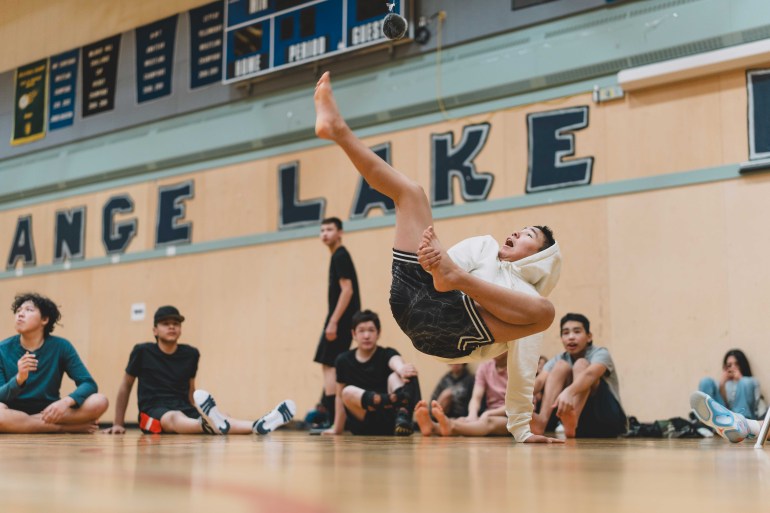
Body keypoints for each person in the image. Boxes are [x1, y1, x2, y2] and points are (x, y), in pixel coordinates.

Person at [314, 71, 562, 443]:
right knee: (411, 193)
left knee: (544, 313)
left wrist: (522, 428)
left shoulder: (528, 298)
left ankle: (456, 279)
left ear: (539, 259)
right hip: (416, 296)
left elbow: (524, 367)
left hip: (451, 336)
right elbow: (440, 270)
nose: (515, 232)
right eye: (519, 228)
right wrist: (437, 263)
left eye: (527, 235)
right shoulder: (483, 245)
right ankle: (338, 130)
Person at [102, 305, 295, 435]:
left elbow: (191, 390)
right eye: (166, 323)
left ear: (180, 329)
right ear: (155, 330)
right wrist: (118, 423)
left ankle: (257, 425)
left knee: (222, 416)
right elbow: (125, 386)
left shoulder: (191, 354)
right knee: (173, 418)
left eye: (176, 323)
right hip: (152, 411)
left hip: (183, 406)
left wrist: (199, 409)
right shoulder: (142, 351)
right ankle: (207, 425)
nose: (171, 326)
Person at [0, 293, 108, 433]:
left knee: (100, 401)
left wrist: (65, 402)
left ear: (44, 319)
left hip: (50, 410)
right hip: (13, 411)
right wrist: (19, 379)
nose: (20, 314)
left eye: (28, 310)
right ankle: (63, 428)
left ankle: (26, 425)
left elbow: (88, 383)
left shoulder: (61, 346)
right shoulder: (2, 349)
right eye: (19, 310)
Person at [323, 309, 420, 436]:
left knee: (399, 374)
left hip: (390, 421)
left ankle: (403, 418)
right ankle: (394, 399)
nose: (366, 335)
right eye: (361, 330)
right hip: (364, 422)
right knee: (347, 392)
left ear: (378, 333)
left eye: (371, 330)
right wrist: (337, 429)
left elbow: (395, 361)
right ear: (353, 334)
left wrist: (402, 369)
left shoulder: (386, 353)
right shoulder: (343, 360)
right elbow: (339, 397)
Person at [530, 313, 626, 438]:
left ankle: (572, 422)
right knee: (560, 366)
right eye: (565, 333)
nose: (571, 337)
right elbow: (540, 381)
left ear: (589, 337)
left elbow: (590, 374)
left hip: (607, 419)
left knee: (581, 364)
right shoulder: (560, 358)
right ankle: (542, 422)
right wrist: (521, 398)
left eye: (577, 331)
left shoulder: (601, 353)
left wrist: (569, 392)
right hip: (581, 425)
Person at [313, 217, 361, 426]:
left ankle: (334, 420)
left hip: (340, 319)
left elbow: (347, 290)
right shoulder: (338, 255)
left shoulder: (340, 255)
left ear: (340, 232)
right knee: (331, 364)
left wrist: (333, 322)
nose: (325, 233)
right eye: (322, 230)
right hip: (342, 319)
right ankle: (334, 417)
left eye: (330, 229)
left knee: (329, 365)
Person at [416, 352, 509, 437]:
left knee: (488, 422)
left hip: (511, 416)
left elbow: (516, 404)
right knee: (463, 420)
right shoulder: (484, 367)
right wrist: (472, 415)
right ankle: (433, 426)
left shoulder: (517, 368)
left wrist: (489, 413)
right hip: (489, 414)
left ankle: (441, 427)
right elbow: (476, 398)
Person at [697, 349, 764, 420]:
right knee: (706, 381)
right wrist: (722, 385)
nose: (733, 367)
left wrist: (740, 378)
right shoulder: (725, 384)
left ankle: (740, 423)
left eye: (737, 364)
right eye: (729, 365)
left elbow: (755, 404)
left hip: (744, 418)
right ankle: (708, 421)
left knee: (745, 382)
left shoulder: (751, 381)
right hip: (724, 417)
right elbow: (724, 405)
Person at [690, 391, 764, 444]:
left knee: (745, 382)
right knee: (706, 382)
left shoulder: (748, 381)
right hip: (726, 406)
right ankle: (743, 424)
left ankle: (744, 423)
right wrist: (723, 382)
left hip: (744, 411)